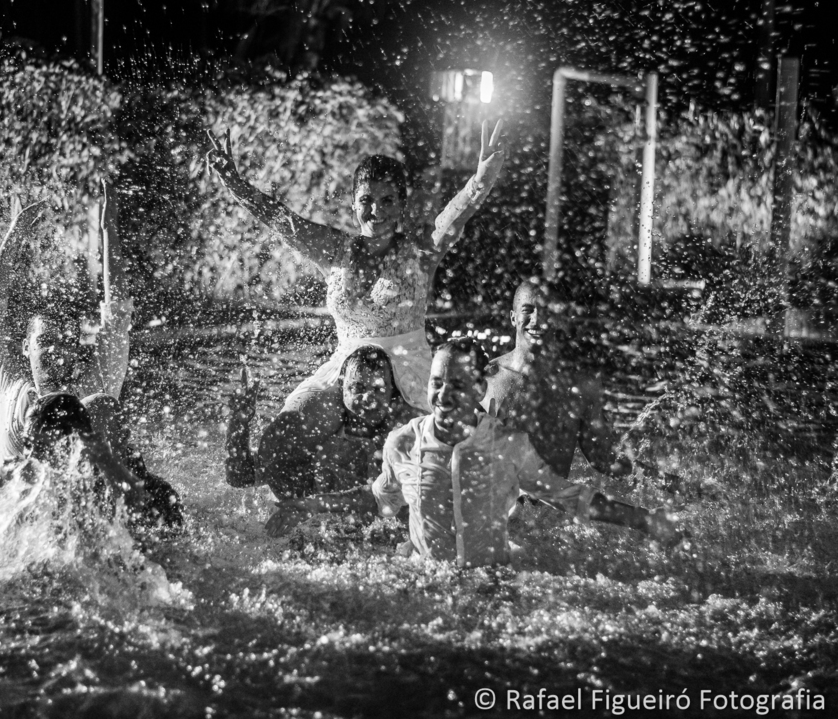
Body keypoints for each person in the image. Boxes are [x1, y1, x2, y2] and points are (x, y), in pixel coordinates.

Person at [203, 120, 507, 487]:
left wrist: (482, 176)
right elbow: (280, 220)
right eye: (366, 200)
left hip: (408, 369)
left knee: (434, 468)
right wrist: (235, 184)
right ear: (353, 203)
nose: (375, 210)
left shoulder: (420, 251)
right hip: (347, 366)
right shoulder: (334, 249)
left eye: (386, 200)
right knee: (278, 443)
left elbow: (457, 215)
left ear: (402, 205)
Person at [266, 339, 683, 567]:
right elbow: (378, 502)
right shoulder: (404, 443)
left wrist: (646, 521)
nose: (444, 394)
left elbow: (570, 497)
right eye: (437, 383)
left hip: (492, 580)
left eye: (458, 385)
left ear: (480, 391)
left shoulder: (507, 444)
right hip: (423, 581)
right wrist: (306, 506)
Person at [0, 181, 183, 531]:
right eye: (47, 342)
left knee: (101, 404)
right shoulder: (13, 388)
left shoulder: (94, 388)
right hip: (24, 527)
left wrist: (108, 229)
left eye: (68, 341)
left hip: (92, 522)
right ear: (27, 347)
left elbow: (116, 317)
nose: (58, 351)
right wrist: (15, 233)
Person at [225, 345, 423, 503]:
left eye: (378, 389)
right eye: (358, 388)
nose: (368, 398)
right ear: (342, 389)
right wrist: (239, 424)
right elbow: (240, 477)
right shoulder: (317, 441)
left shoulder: (402, 442)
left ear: (392, 392)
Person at [483, 280, 632, 479]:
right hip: (496, 505)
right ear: (513, 317)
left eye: (547, 312)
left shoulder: (581, 386)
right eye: (528, 310)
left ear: (561, 319)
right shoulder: (488, 377)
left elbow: (604, 458)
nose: (537, 319)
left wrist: (666, 483)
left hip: (550, 507)